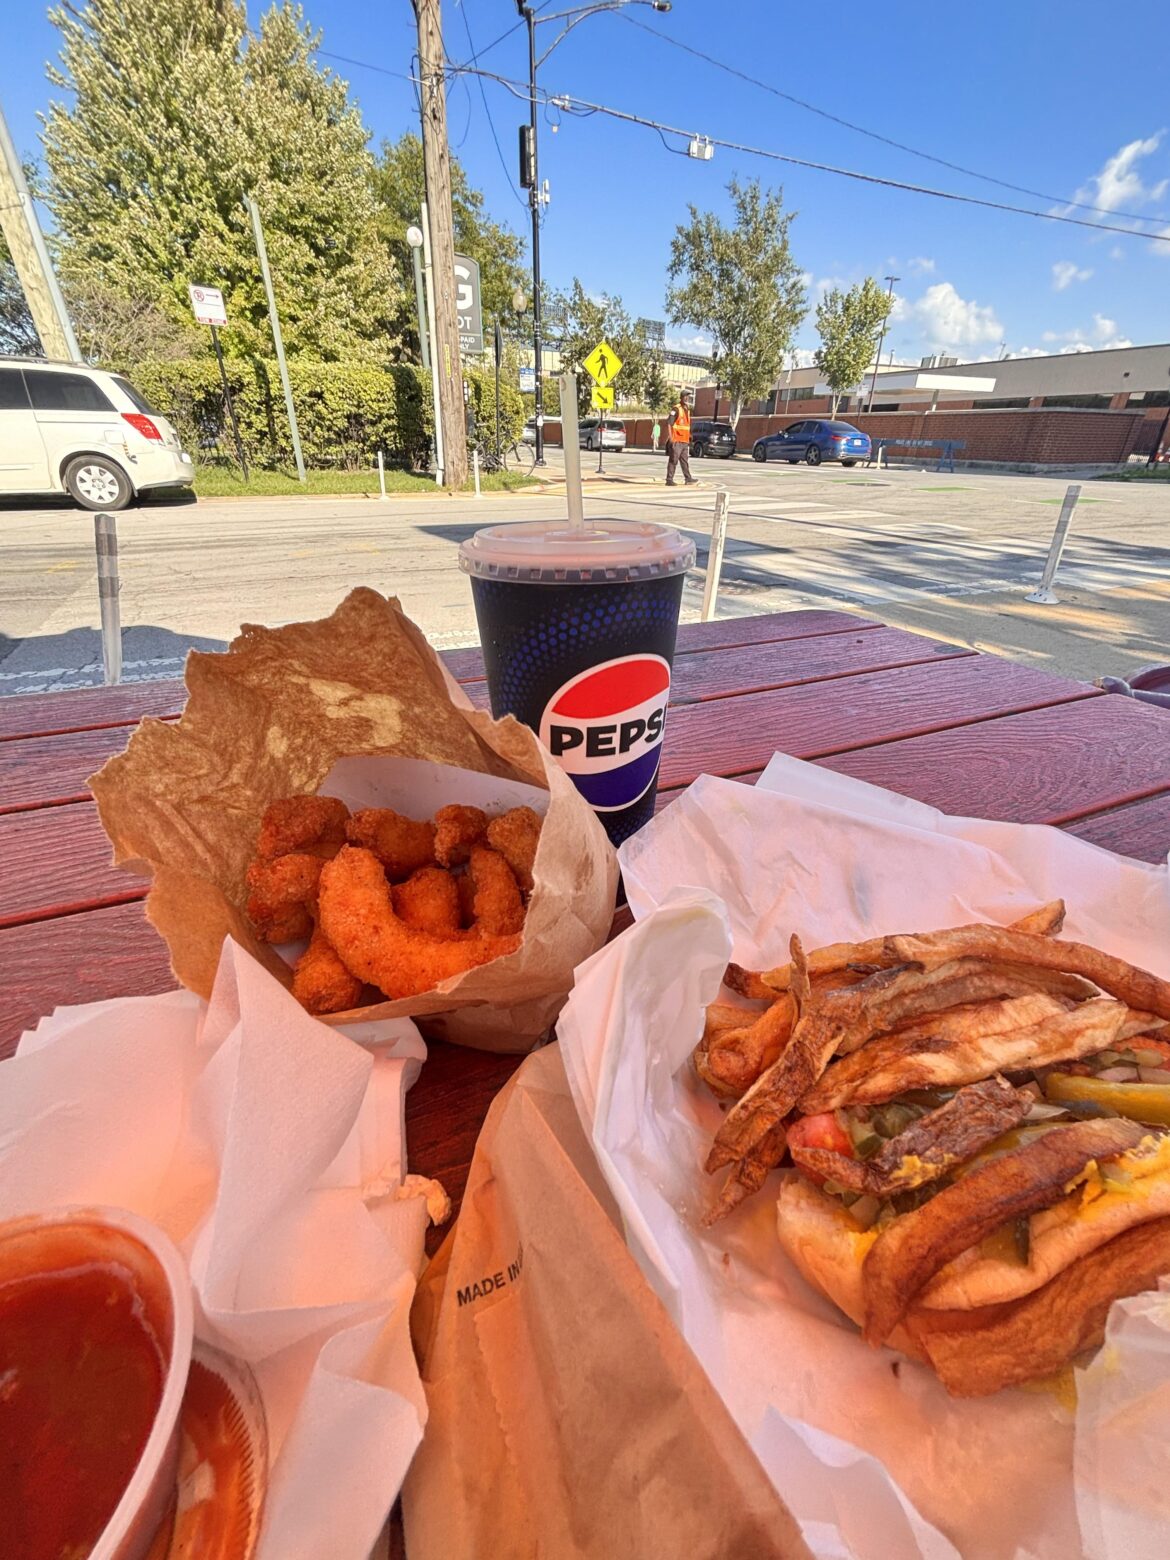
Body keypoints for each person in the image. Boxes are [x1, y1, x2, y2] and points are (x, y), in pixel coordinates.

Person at [665, 391, 697, 486]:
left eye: (688, 396)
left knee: (684, 461)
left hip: (684, 440)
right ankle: (669, 479)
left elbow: (686, 425)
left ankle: (688, 478)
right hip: (677, 440)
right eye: (685, 396)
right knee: (673, 459)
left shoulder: (687, 409)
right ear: (681, 397)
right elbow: (669, 423)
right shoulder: (676, 409)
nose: (686, 398)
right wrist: (671, 438)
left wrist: (690, 435)